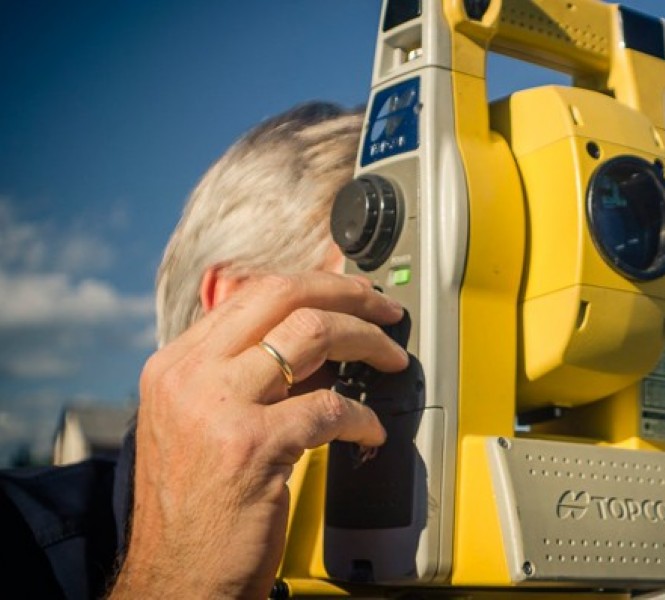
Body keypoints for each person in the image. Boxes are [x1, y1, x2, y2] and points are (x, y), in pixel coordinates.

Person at [0, 102, 409, 599]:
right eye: (367, 327)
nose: (404, 371)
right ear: (235, 309)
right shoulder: (21, 540)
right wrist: (183, 578)